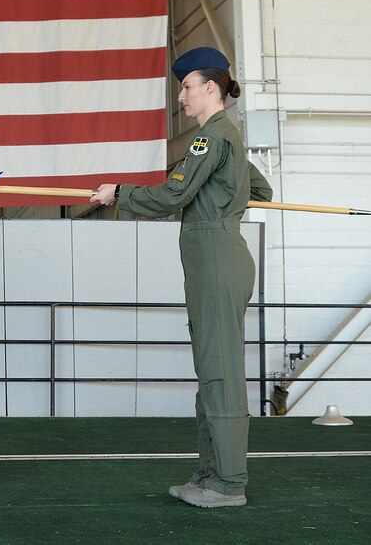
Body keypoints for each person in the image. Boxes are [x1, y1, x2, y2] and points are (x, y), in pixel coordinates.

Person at [92, 46, 273, 508]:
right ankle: (211, 474)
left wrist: (120, 193)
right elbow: (260, 190)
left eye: (187, 86)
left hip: (215, 258)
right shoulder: (225, 138)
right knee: (212, 370)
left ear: (210, 88)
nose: (181, 97)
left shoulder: (210, 138)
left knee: (222, 374)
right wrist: (224, 197)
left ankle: (229, 483)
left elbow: (173, 195)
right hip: (217, 258)